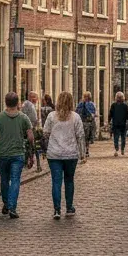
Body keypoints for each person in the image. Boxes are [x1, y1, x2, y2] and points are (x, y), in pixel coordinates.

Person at [0, 91, 35, 218]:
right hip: (18, 154)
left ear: (5, 102)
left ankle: (6, 203)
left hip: (3, 154)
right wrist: (31, 154)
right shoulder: (24, 118)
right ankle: (12, 207)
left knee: (4, 180)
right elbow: (30, 137)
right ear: (17, 103)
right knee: (15, 180)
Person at [43, 91, 86, 219]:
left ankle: (56, 209)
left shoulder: (51, 116)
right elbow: (80, 136)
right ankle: (69, 207)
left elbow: (45, 133)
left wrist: (47, 146)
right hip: (70, 154)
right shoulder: (75, 117)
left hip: (54, 154)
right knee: (69, 180)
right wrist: (83, 154)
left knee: (56, 181)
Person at [20, 91, 43, 171]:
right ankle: (36, 165)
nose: (36, 99)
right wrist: (36, 124)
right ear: (31, 97)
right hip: (29, 129)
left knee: (30, 146)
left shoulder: (26, 105)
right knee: (33, 146)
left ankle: (28, 162)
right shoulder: (30, 105)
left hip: (25, 128)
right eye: (35, 98)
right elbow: (33, 118)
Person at [108, 92, 128, 157]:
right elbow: (110, 114)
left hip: (123, 124)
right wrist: (109, 121)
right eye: (118, 97)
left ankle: (122, 149)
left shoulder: (125, 106)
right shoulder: (113, 105)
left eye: (120, 97)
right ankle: (116, 148)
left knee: (123, 138)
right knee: (116, 137)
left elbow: (127, 114)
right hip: (116, 124)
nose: (119, 98)